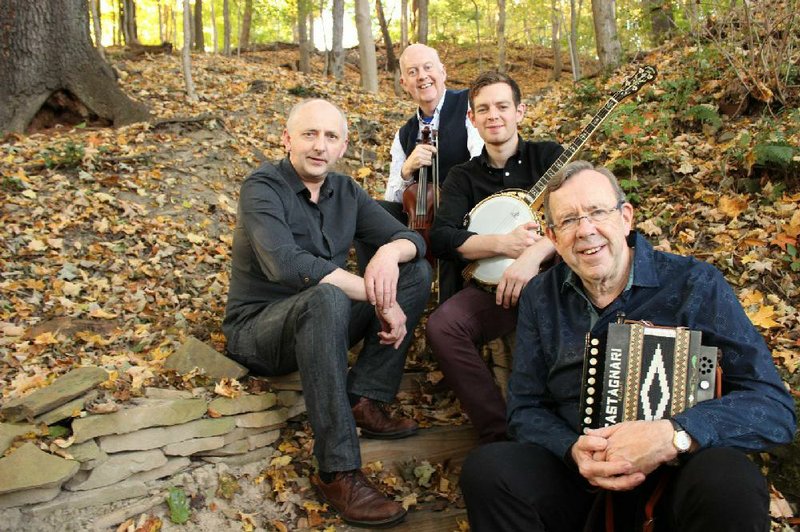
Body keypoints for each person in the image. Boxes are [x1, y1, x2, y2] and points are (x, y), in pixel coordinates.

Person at [459, 160, 796, 531]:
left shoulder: (693, 284)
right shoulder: (541, 296)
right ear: (552, 238)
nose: (585, 230)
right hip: (579, 481)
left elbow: (772, 406)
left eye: (597, 212)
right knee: (488, 470)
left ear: (626, 218)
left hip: (676, 479)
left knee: (729, 477)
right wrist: (571, 451)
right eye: (569, 220)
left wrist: (675, 434)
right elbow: (525, 408)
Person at [222, 99, 432, 528]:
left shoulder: (347, 192)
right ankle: (336, 470)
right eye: (309, 134)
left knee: (414, 271)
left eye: (330, 137)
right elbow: (286, 264)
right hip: (260, 330)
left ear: (343, 146)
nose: (320, 146)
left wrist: (390, 254)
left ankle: (364, 398)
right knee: (328, 295)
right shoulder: (262, 187)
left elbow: (412, 239)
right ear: (287, 140)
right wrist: (377, 298)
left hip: (324, 319)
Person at [426, 71, 564, 444]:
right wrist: (503, 245)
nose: (493, 115)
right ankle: (498, 436)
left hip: (556, 283)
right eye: (483, 109)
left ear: (519, 111)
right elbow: (442, 238)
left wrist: (533, 254)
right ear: (471, 118)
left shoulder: (549, 157)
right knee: (443, 327)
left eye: (502, 106)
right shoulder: (462, 178)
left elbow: (580, 217)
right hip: (494, 291)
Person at [356, 44, 483, 301]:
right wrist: (406, 169)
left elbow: (481, 160)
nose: (422, 76)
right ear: (404, 82)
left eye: (428, 67)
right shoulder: (404, 133)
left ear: (442, 72)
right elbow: (393, 197)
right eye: (413, 71)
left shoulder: (469, 105)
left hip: (464, 210)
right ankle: (377, 292)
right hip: (421, 217)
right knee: (367, 214)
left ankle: (447, 307)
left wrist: (451, 196)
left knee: (446, 234)